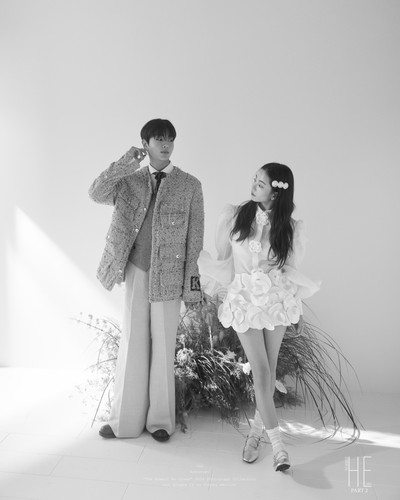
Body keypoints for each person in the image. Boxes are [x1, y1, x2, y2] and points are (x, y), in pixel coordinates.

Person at [89, 118, 204, 442]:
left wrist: (192, 288)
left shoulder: (190, 185)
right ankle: (124, 422)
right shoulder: (129, 180)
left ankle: (161, 422)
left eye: (170, 139)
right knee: (132, 343)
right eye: (158, 139)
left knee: (164, 347)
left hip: (170, 276)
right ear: (145, 144)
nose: (165, 145)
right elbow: (96, 193)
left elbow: (195, 240)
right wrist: (127, 162)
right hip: (136, 269)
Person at [198, 163, 319, 470]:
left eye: (260, 183)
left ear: (276, 193)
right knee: (262, 372)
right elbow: (225, 260)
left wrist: (297, 309)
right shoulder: (235, 216)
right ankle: (279, 449)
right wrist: (217, 293)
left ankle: (254, 435)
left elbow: (290, 270)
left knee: (269, 373)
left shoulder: (290, 227)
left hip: (276, 300)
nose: (253, 186)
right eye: (254, 179)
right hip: (244, 301)